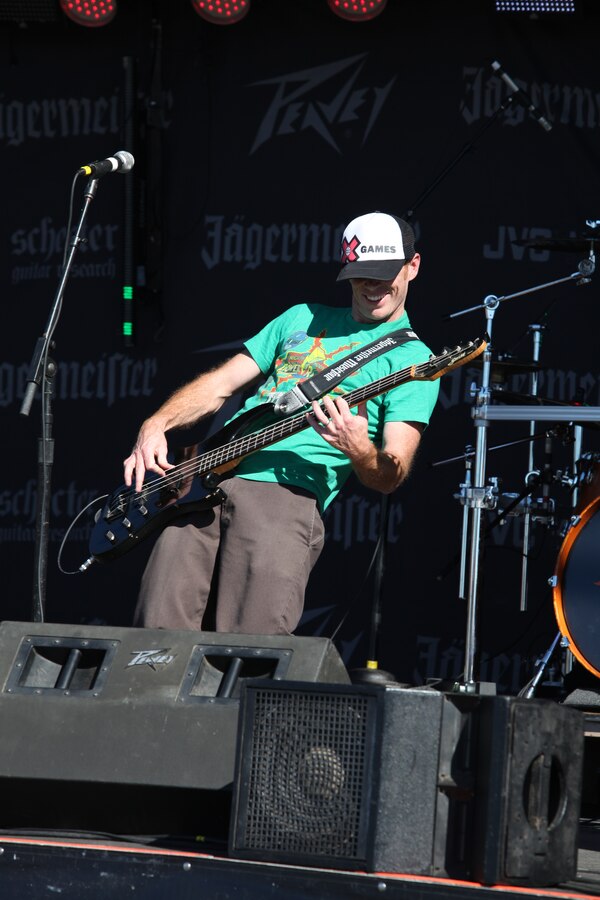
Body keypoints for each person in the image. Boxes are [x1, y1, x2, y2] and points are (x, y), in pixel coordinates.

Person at [124, 211, 440, 635]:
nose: (374, 287)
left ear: (412, 266)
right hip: (202, 477)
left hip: (286, 495)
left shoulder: (413, 361)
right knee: (155, 630)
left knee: (250, 648)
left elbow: (390, 473)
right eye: (363, 275)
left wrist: (357, 447)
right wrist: (156, 423)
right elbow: (220, 383)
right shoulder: (300, 317)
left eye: (385, 274)